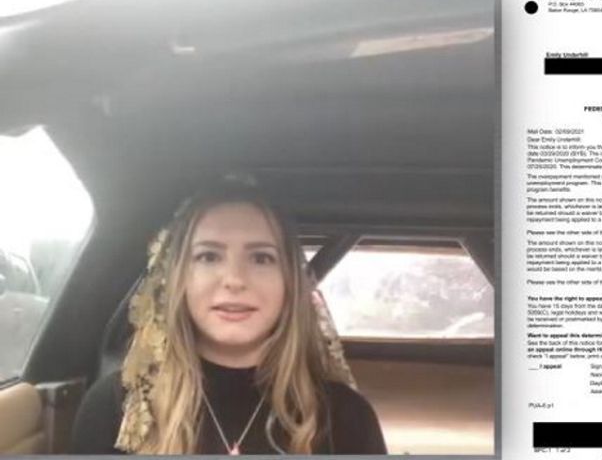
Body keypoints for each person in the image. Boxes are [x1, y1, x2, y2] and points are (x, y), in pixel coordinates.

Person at [71, 176, 387, 455]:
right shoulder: (118, 408)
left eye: (261, 258)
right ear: (178, 278)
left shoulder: (346, 417)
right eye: (209, 256)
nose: (235, 279)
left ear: (289, 283)